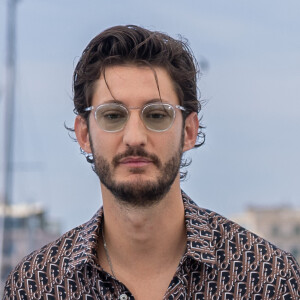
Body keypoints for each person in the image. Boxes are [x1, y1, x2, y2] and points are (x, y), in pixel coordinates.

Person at [3, 25, 300, 300]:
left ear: (188, 131)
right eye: (113, 115)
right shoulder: (36, 285)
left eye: (156, 115)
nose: (134, 137)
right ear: (84, 134)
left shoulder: (267, 278)